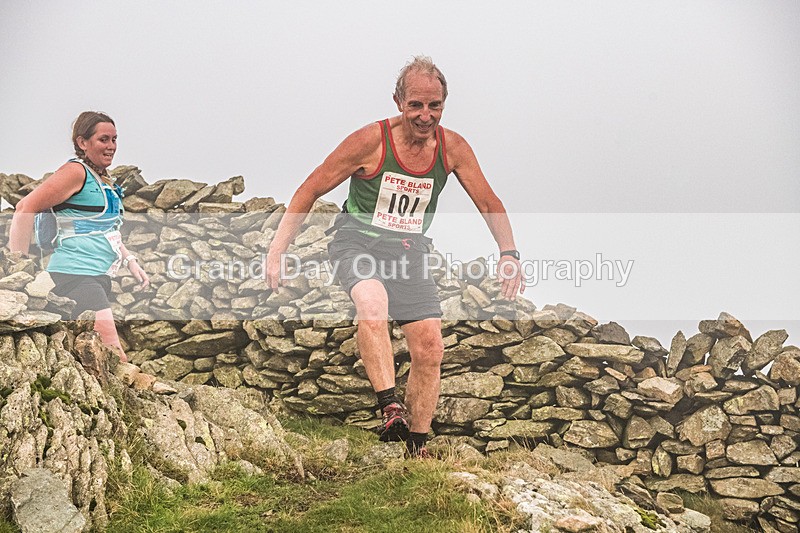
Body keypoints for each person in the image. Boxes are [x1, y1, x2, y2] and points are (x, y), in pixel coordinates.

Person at [266, 56, 524, 457]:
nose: (425, 116)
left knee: (430, 347)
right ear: (398, 102)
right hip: (358, 242)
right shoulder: (370, 141)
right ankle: (390, 408)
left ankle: (416, 447)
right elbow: (310, 188)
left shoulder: (452, 148)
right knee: (373, 304)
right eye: (415, 105)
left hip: (408, 250)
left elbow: (489, 201)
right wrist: (277, 250)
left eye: (435, 106)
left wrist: (509, 253)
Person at [8, 111, 149, 363]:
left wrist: (130, 261)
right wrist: (18, 270)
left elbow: (105, 229)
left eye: (114, 139)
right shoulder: (75, 172)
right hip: (74, 276)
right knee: (114, 354)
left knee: (100, 359)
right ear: (82, 142)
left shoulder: (103, 180)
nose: (111, 146)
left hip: (97, 276)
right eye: (103, 139)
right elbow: (24, 208)